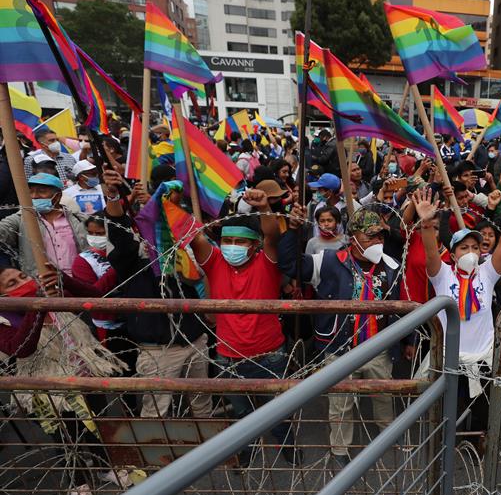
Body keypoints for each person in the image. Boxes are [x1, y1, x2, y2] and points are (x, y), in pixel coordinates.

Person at [0, 265, 130, 495]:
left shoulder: (52, 296)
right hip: (47, 389)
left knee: (97, 422)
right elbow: (21, 347)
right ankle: (78, 481)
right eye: (11, 283)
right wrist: (38, 306)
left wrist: (63, 279)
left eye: (22, 276)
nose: (21, 282)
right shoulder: (5, 319)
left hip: (82, 371)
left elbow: (92, 296)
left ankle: (104, 467)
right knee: (67, 435)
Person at [279, 208, 400, 468]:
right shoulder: (329, 261)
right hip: (339, 349)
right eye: (370, 237)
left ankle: (388, 435)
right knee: (340, 403)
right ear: (353, 238)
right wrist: (291, 230)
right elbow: (290, 265)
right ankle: (340, 449)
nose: (377, 242)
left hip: (377, 348)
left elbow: (400, 309)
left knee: (383, 396)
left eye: (380, 237)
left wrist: (405, 342)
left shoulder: (391, 266)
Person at [188, 191, 297, 464]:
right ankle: (246, 452)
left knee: (278, 409)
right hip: (228, 355)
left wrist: (264, 207)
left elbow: (272, 235)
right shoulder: (214, 262)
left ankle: (288, 446)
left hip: (269, 353)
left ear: (254, 245)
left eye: (239, 241)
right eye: (227, 241)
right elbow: (194, 237)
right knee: (241, 413)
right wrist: (172, 201)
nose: (232, 246)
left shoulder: (267, 263)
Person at [412, 185, 501, 437]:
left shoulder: (486, 273)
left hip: (482, 359)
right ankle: (444, 453)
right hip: (448, 360)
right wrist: (427, 224)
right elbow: (431, 253)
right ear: (452, 255)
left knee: (482, 415)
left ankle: (476, 447)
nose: (471, 253)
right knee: (447, 415)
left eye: (475, 247)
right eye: (464, 248)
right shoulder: (442, 275)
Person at [103, 171, 212, 420]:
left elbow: (202, 268)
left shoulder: (183, 249)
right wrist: (113, 196)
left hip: (195, 339)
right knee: (156, 413)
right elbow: (119, 236)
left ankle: (210, 451)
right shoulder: (133, 255)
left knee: (202, 404)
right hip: (158, 349)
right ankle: (157, 458)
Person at [0, 173, 89, 276]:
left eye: (41, 191)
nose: (34, 196)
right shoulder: (22, 219)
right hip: (43, 285)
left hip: (78, 282)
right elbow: (3, 230)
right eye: (31, 192)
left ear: (58, 195)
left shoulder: (78, 219)